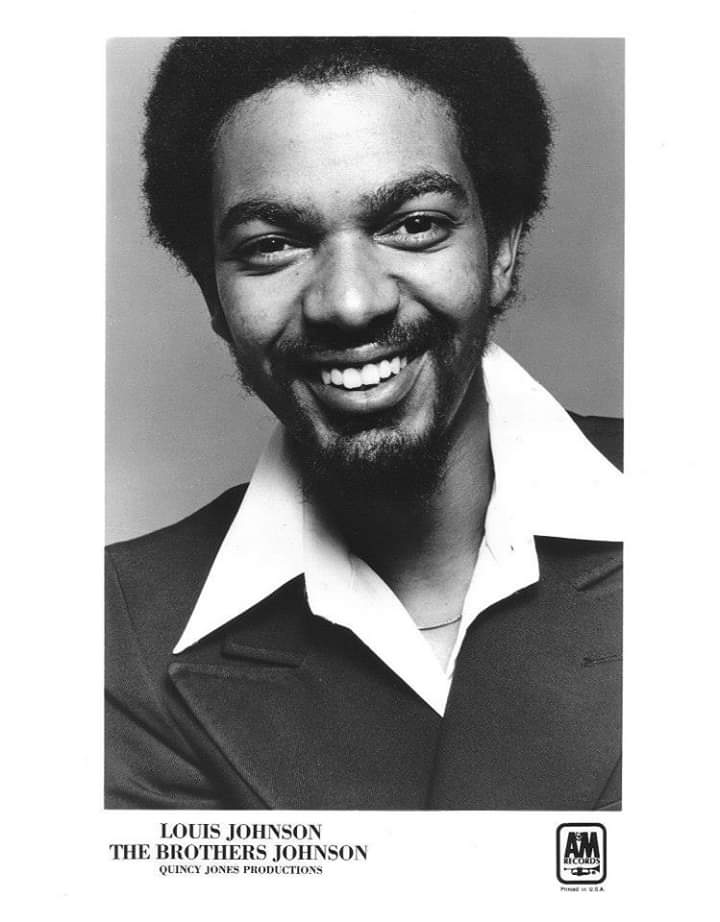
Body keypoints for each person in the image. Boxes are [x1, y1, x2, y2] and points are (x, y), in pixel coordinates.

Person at [105, 37, 622, 810]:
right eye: (271, 245)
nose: (350, 303)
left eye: (413, 225)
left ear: (501, 250)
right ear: (213, 294)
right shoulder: (111, 637)